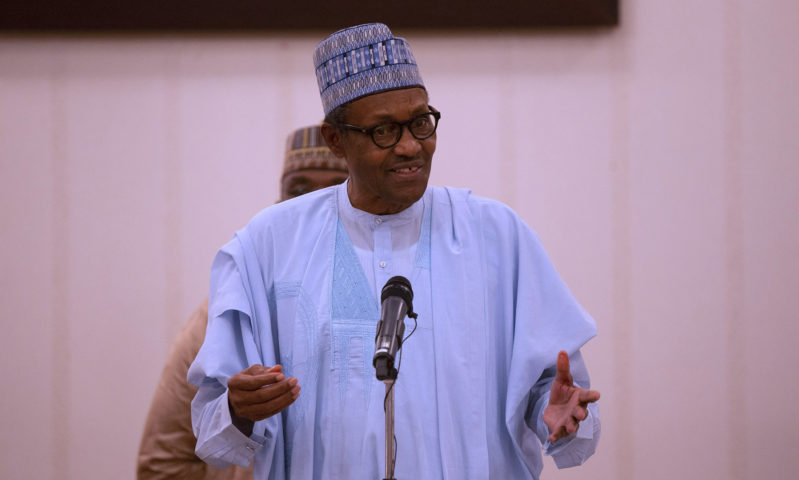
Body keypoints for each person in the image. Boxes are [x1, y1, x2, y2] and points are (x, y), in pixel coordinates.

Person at [189, 23, 601, 479]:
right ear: (335, 140)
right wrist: (240, 408)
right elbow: (212, 431)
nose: (410, 147)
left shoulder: (497, 237)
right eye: (384, 130)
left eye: (421, 123)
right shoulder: (265, 248)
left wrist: (556, 411)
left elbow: (557, 393)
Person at [136, 125, 347, 480]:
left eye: (334, 192)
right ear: (278, 204)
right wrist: (235, 414)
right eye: (299, 191)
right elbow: (163, 463)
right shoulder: (226, 314)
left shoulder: (394, 309)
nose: (312, 208)